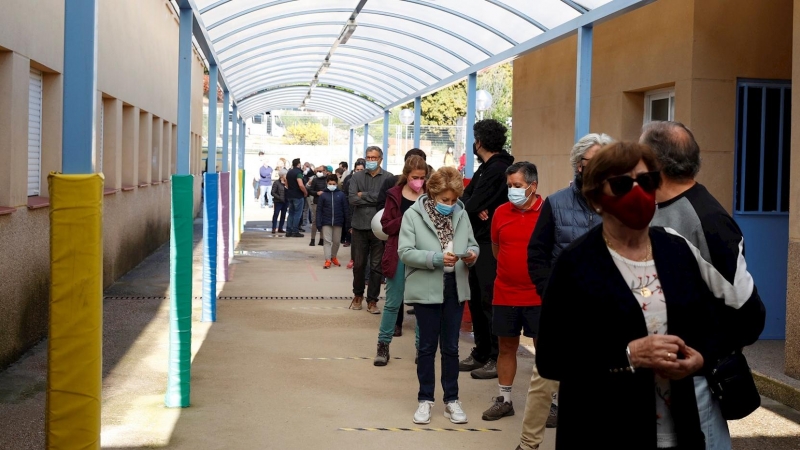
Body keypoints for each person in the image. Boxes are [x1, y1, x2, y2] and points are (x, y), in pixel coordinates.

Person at [536, 141, 725, 449]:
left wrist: (699, 358)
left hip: (679, 431)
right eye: (623, 184)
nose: (638, 192)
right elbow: (551, 357)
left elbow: (709, 326)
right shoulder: (575, 263)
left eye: (647, 181)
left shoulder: (676, 252)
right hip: (604, 431)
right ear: (596, 196)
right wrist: (628, 355)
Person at [642, 121, 766, 450]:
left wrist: (703, 356)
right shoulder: (655, 211)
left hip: (696, 390)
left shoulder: (705, 221)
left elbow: (749, 314)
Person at [517, 133, 612, 450]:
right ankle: (529, 444)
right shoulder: (556, 204)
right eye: (593, 162)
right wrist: (551, 293)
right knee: (544, 380)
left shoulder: (616, 205)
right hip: (561, 310)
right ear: (579, 165)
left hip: (604, 312)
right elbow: (537, 255)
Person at [398, 166, 479, 425]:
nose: (451, 204)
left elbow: (473, 243)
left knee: (451, 348)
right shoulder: (412, 215)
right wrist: (434, 258)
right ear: (432, 194)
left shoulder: (461, 214)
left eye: (454, 200)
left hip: (455, 286)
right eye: (445, 200)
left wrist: (473, 254)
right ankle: (425, 400)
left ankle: (452, 400)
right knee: (426, 347)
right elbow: (405, 252)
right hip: (426, 287)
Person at [481, 162, 544, 422]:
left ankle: (550, 403)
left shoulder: (547, 212)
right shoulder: (500, 213)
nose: (512, 191)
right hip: (505, 293)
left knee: (546, 350)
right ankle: (505, 400)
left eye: (517, 186)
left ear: (533, 186)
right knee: (506, 347)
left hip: (538, 295)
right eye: (509, 186)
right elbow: (497, 250)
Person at [458, 119, 514, 380]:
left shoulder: (498, 169)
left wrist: (472, 204)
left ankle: (494, 355)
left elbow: (469, 203)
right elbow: (465, 199)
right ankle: (480, 352)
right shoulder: (486, 168)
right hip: (476, 241)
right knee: (477, 299)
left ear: (479, 142)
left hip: (489, 244)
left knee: (489, 301)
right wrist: (471, 203)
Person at [374, 155, 428, 366]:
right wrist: (408, 218)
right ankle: (383, 345)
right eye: (415, 177)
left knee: (422, 304)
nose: (419, 182)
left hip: (422, 255)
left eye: (422, 177)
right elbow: (386, 225)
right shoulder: (394, 195)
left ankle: (421, 349)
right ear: (406, 175)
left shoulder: (430, 195)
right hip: (398, 254)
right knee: (393, 303)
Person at [348, 147, 393, 314]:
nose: (370, 160)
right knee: (358, 264)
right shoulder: (357, 176)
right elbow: (352, 198)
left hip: (379, 229)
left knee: (376, 266)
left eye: (374, 157)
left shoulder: (388, 178)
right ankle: (358, 295)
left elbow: (386, 200)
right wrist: (373, 197)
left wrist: (363, 195)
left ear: (380, 159)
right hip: (359, 226)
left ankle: (372, 300)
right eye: (368, 157)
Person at [316, 174, 349, 269]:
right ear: (327, 183)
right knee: (327, 241)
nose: (331, 185)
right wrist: (319, 222)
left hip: (338, 222)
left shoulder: (341, 195)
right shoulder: (323, 195)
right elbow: (319, 210)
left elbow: (345, 209)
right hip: (326, 222)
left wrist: (347, 223)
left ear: (336, 184)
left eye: (333, 183)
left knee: (337, 241)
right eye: (330, 183)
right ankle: (327, 260)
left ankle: (333, 256)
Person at [342, 159, 365, 265]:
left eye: (361, 169)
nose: (359, 171)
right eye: (357, 169)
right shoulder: (349, 179)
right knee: (354, 235)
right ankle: (353, 258)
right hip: (351, 207)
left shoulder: (368, 181)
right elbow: (346, 194)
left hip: (365, 212)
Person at [284, 158, 308, 238]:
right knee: (297, 214)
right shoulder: (299, 173)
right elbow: (301, 184)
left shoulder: (289, 172)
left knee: (291, 213)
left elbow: (286, 183)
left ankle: (288, 231)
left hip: (290, 195)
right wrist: (305, 192)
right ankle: (295, 231)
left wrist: (290, 189)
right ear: (298, 164)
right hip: (298, 195)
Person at [306, 164, 329, 247]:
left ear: (326, 172)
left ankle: (322, 239)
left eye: (320, 171)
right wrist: (317, 193)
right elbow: (310, 190)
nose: (318, 172)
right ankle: (312, 239)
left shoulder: (329, 180)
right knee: (315, 220)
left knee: (324, 221)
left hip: (326, 203)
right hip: (317, 202)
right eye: (318, 171)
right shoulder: (315, 180)